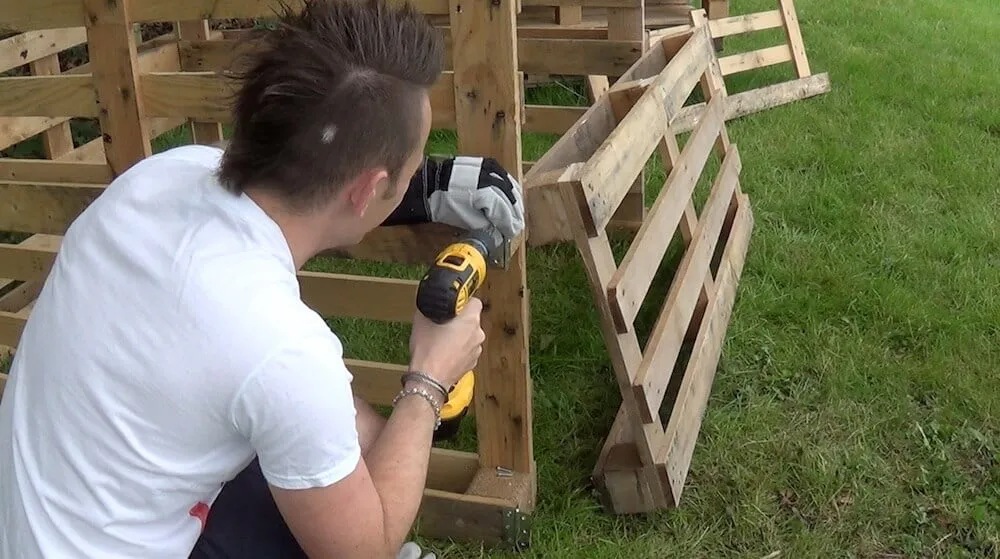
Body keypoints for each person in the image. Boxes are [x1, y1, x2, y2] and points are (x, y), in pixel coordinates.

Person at [0, 0, 525, 557]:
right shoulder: (280, 350)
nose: (420, 170)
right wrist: (429, 382)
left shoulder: (155, 178)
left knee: (296, 456)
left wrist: (422, 188)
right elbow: (362, 550)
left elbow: (301, 175)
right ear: (368, 190)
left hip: (31, 530)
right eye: (415, 164)